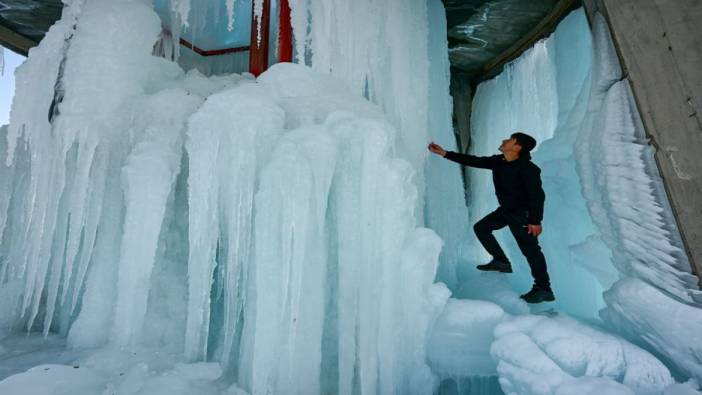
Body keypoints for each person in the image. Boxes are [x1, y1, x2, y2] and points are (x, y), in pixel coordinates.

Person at [427, 133, 554, 303]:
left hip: (522, 215)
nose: (503, 141)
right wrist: (445, 153)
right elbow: (474, 161)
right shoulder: (499, 161)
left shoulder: (528, 169)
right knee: (481, 228)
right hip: (506, 211)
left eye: (509, 140)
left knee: (531, 251)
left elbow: (537, 196)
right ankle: (501, 261)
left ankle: (544, 289)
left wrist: (535, 220)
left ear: (517, 147)